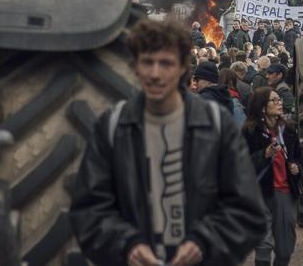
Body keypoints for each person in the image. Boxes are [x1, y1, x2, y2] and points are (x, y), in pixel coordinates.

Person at [70, 19, 266, 266]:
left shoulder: (216, 126)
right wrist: (127, 245)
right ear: (136, 67)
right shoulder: (114, 127)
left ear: (184, 68)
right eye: (147, 62)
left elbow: (248, 212)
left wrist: (203, 243)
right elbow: (88, 210)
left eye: (165, 63)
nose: (155, 73)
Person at [244, 87, 302, 266]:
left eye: (279, 100)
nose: (280, 103)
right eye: (274, 101)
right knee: (264, 243)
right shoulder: (249, 132)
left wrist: (296, 167)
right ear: (262, 107)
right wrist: (264, 155)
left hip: (285, 192)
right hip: (260, 192)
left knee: (285, 248)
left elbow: (300, 159)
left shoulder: (289, 131)